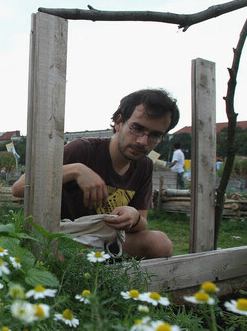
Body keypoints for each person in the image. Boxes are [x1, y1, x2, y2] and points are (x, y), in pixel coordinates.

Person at [12, 89, 180, 259]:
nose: (143, 141)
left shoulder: (144, 166)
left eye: (155, 135)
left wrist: (134, 217)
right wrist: (76, 170)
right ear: (119, 121)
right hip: (66, 238)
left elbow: (142, 224)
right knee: (54, 254)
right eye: (137, 128)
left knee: (161, 244)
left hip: (108, 240)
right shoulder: (83, 150)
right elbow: (18, 189)